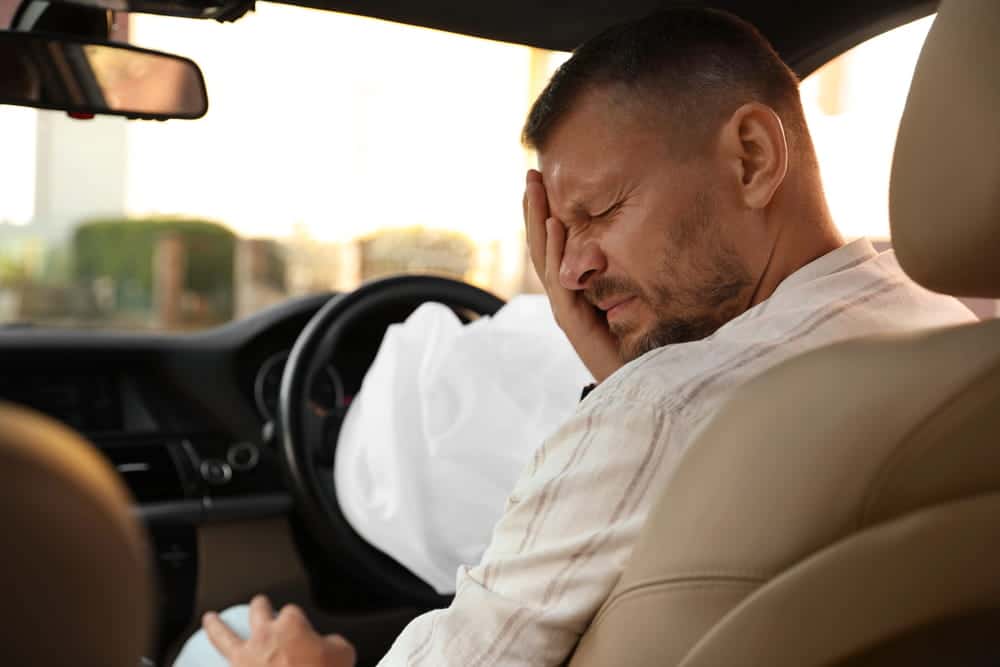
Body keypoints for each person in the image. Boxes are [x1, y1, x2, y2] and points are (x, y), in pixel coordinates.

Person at [175, 8, 975, 666]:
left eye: (599, 211)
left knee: (230, 645)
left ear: (753, 158)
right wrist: (615, 369)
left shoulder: (662, 414)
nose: (576, 265)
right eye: (559, 230)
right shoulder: (941, 338)